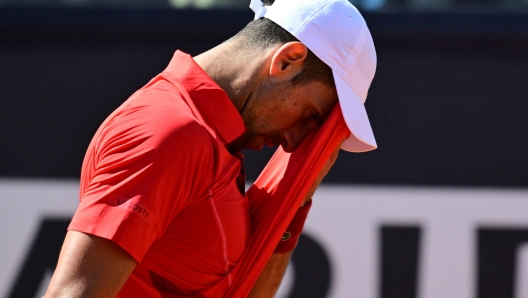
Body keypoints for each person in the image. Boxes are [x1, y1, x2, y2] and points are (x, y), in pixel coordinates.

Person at [44, 0, 377, 296]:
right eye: (311, 115)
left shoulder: (205, 139)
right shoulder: (170, 135)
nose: (295, 142)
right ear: (287, 61)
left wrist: (297, 197)